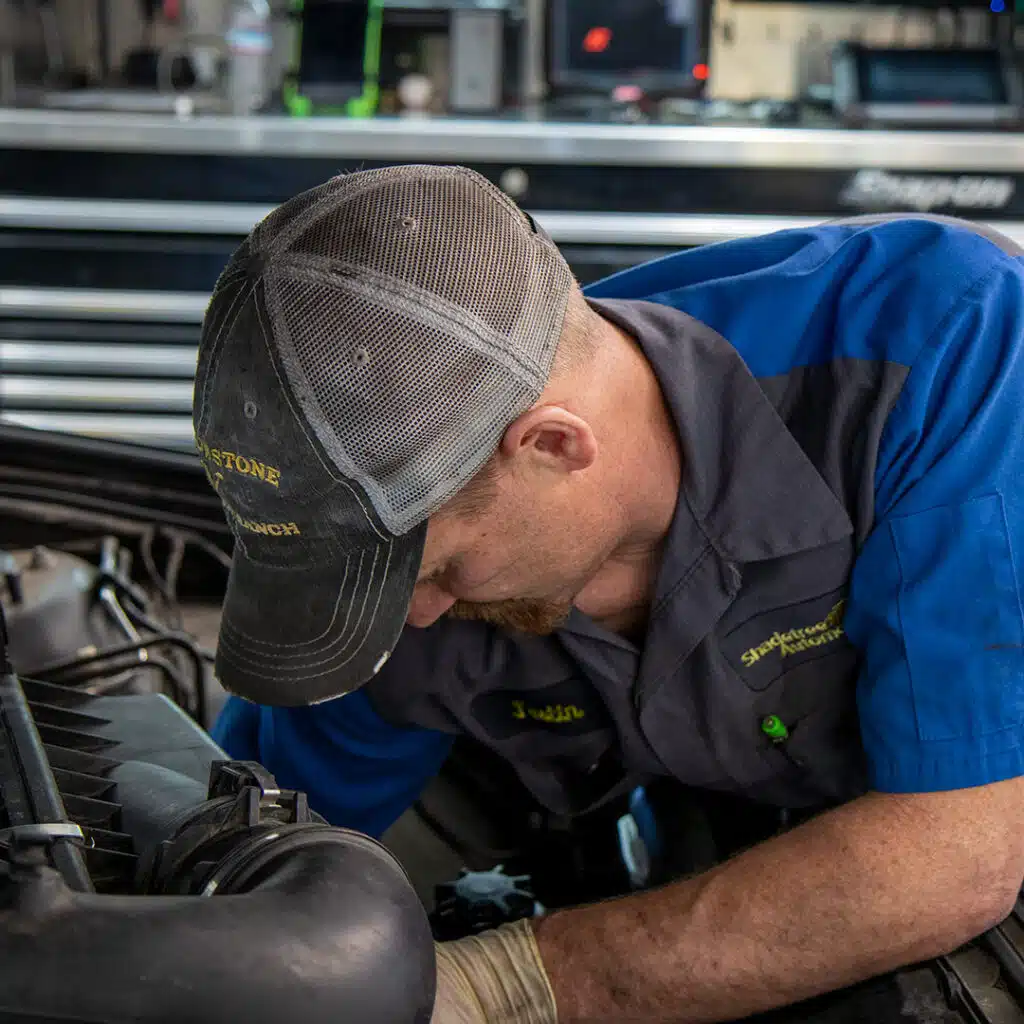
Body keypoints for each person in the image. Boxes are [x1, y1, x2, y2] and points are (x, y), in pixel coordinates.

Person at [194, 164, 1024, 1024]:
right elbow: (257, 860)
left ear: (554, 446)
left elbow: (956, 855)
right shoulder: (404, 543)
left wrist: (499, 989)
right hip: (711, 823)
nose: (415, 617)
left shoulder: (938, 351)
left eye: (436, 570)